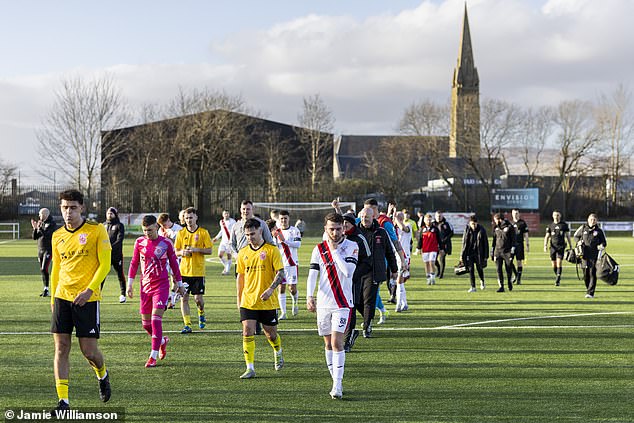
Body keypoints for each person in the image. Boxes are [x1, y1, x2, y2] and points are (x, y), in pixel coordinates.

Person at [49, 189, 112, 411]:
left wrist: (89, 290)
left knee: (89, 352)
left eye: (73, 207)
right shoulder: (57, 235)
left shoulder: (97, 230)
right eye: (65, 208)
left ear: (82, 208)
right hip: (62, 297)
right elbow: (56, 267)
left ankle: (102, 374)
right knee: (61, 348)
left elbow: (105, 264)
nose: (68, 212)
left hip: (87, 299)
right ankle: (63, 401)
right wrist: (53, 297)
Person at [306, 213, 358, 399]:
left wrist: (335, 251)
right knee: (328, 343)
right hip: (324, 303)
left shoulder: (352, 246)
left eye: (338, 229)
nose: (335, 233)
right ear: (325, 229)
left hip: (343, 303)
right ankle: (335, 378)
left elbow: (348, 272)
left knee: (337, 342)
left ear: (343, 228)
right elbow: (313, 275)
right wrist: (309, 296)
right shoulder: (318, 249)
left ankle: (338, 384)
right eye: (331, 229)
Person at [127, 215, 186, 367]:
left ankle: (152, 357)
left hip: (161, 286)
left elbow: (174, 265)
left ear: (157, 228)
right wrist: (130, 284)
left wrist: (179, 283)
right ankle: (162, 341)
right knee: (146, 325)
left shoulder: (166, 243)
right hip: (145, 287)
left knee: (155, 320)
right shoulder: (139, 242)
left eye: (150, 230)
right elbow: (134, 263)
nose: (147, 233)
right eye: (145, 230)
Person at [236, 218, 285, 379]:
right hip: (248, 300)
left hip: (267, 301)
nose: (250, 237)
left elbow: (281, 273)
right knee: (247, 331)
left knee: (270, 334)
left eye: (252, 234)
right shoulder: (243, 253)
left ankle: (277, 351)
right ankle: (250, 368)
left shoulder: (272, 250)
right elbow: (240, 277)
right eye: (247, 235)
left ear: (260, 231)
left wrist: (271, 289)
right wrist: (239, 298)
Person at [356, 207, 398, 337]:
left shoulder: (381, 232)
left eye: (367, 217)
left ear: (373, 217)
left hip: (373, 271)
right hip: (357, 271)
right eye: (362, 217)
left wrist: (394, 269)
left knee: (369, 299)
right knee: (356, 300)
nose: (364, 220)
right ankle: (367, 317)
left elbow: (389, 252)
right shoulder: (355, 232)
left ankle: (367, 325)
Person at [174, 207, 213, 333]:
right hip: (184, 272)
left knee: (198, 300)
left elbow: (210, 250)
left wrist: (196, 250)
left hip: (198, 272)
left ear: (196, 217)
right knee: (184, 298)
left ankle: (201, 312)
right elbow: (175, 251)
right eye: (186, 218)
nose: (189, 220)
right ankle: (187, 324)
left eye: (191, 217)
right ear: (184, 220)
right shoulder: (181, 234)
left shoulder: (203, 233)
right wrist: (182, 252)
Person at [340, 212, 371, 353]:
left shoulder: (359, 238)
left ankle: (348, 339)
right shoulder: (338, 237)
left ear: (353, 224)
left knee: (350, 308)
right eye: (343, 223)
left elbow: (367, 261)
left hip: (353, 280)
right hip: (338, 280)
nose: (345, 226)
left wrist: (354, 275)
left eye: (348, 223)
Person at [272, 210, 302, 319]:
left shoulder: (295, 231)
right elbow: (274, 247)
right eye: (281, 219)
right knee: (281, 288)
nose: (283, 220)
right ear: (279, 220)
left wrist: (285, 241)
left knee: (292, 289)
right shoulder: (277, 232)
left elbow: (298, 244)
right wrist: (275, 238)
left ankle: (295, 303)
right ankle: (283, 313)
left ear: (289, 219)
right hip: (281, 265)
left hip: (292, 264)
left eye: (285, 218)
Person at [573, 213, 607, 299]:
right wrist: (578, 242)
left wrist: (601, 246)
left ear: (596, 221)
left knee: (592, 273)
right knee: (585, 275)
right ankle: (588, 288)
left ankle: (590, 292)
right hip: (584, 255)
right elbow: (575, 236)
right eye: (591, 219)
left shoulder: (599, 231)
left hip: (594, 255)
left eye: (594, 220)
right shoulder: (583, 228)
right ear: (588, 220)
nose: (592, 221)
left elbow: (604, 242)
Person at [157, 213, 183, 308]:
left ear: (168, 220)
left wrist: (169, 240)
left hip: (176, 257)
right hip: (164, 257)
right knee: (162, 277)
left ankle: (171, 299)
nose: (163, 227)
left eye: (164, 224)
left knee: (175, 279)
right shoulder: (161, 230)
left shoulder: (178, 230)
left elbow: (179, 244)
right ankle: (166, 298)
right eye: (161, 225)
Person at [31, 207, 57, 297]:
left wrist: (40, 228)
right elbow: (35, 237)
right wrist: (35, 229)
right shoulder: (41, 223)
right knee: (42, 270)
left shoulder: (52, 223)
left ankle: (48, 289)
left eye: (40, 214)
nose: (39, 215)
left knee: (44, 268)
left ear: (45, 214)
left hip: (48, 250)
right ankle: (45, 289)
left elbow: (46, 235)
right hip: (40, 250)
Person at [103, 207, 127, 303]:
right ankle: (97, 293)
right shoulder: (103, 225)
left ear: (115, 214)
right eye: (108, 213)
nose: (109, 215)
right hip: (105, 255)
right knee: (102, 274)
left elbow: (119, 239)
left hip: (116, 255)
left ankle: (123, 294)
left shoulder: (119, 225)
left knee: (120, 275)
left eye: (111, 213)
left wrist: (109, 247)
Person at [460, 215, 489, 292]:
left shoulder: (482, 230)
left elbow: (485, 243)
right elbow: (464, 242)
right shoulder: (467, 229)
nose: (473, 225)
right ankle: (473, 287)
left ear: (477, 223)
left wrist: (486, 256)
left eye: (474, 224)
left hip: (479, 253)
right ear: (469, 223)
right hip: (469, 253)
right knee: (471, 269)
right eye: (472, 224)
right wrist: (461, 255)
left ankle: (482, 281)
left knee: (479, 269)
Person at [544, 210, 572, 286]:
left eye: (558, 215)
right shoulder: (550, 225)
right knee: (554, 264)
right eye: (555, 215)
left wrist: (570, 245)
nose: (556, 217)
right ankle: (558, 274)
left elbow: (568, 236)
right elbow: (547, 236)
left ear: (560, 216)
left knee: (559, 262)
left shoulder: (564, 225)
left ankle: (558, 280)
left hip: (561, 247)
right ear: (552, 216)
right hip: (553, 247)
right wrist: (545, 245)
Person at [491, 213, 517, 293]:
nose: (494, 222)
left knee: (508, 268)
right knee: (498, 269)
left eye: (495, 220)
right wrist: (492, 252)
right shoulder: (496, 228)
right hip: (498, 251)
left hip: (507, 252)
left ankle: (509, 281)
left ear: (499, 219)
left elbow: (513, 240)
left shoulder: (509, 227)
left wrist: (512, 252)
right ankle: (501, 286)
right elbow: (494, 240)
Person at [393, 211, 412, 311]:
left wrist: (396, 219)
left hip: (404, 257)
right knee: (400, 281)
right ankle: (404, 303)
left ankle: (399, 305)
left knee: (399, 280)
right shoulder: (394, 228)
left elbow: (403, 228)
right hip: (396, 256)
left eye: (400, 216)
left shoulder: (408, 225)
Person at [418, 213, 440, 285]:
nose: (429, 221)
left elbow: (439, 239)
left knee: (432, 262)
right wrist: (418, 248)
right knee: (426, 264)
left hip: (433, 249)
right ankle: (428, 278)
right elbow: (420, 240)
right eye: (427, 220)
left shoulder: (435, 229)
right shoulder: (422, 229)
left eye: (430, 220)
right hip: (425, 249)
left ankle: (432, 278)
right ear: (424, 221)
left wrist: (442, 248)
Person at [213, 210, 237, 275]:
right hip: (223, 242)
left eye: (227, 213)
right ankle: (227, 266)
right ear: (222, 215)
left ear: (229, 214)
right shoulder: (221, 222)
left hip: (230, 242)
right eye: (225, 214)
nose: (226, 215)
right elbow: (222, 231)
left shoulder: (233, 221)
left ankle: (227, 271)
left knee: (229, 256)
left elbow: (235, 230)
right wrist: (216, 237)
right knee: (220, 255)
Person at [510, 208, 529, 285]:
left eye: (517, 213)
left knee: (519, 262)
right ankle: (516, 274)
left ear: (519, 214)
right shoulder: (510, 223)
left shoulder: (522, 223)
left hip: (519, 244)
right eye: (514, 213)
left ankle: (519, 280)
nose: (515, 214)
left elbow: (526, 235)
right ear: (512, 214)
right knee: (509, 261)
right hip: (511, 245)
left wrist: (527, 245)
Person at [434, 210, 454, 279]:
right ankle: (438, 269)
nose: (438, 217)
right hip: (435, 244)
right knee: (434, 259)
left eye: (440, 216)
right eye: (437, 216)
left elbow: (451, 233)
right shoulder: (433, 224)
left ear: (442, 216)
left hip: (444, 245)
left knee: (442, 259)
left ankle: (441, 274)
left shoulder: (447, 224)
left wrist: (445, 240)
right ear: (435, 216)